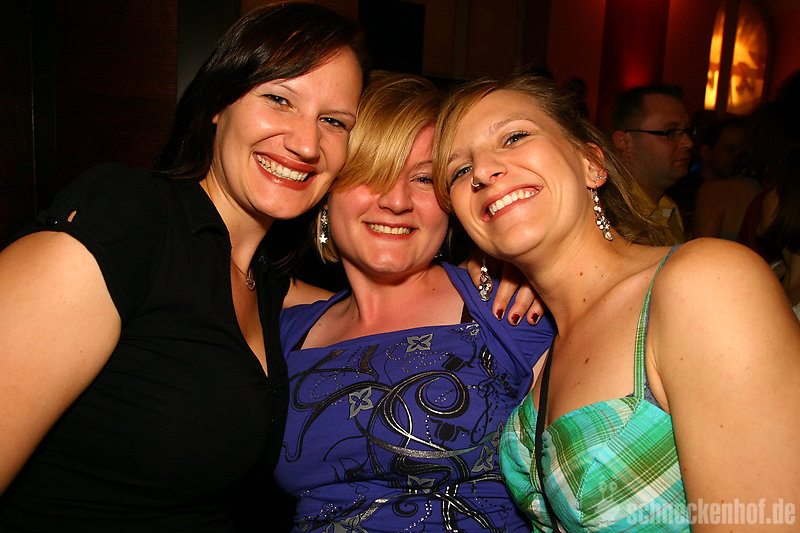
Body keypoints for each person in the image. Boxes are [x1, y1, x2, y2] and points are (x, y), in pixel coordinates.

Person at [0, 3, 365, 531]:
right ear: (218, 103)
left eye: (333, 121)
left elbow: (365, 311)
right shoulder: (129, 219)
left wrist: (478, 281)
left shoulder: (263, 278)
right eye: (279, 99)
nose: (307, 144)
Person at [435, 74, 800, 531]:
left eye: (514, 137)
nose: (483, 171)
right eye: (460, 170)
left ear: (591, 163)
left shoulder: (706, 283)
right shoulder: (542, 345)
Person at [273, 72, 554, 532]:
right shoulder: (287, 332)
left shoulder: (509, 309)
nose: (396, 201)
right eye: (371, 175)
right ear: (325, 195)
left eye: (423, 179)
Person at [611, 85, 693, 243]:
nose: (688, 143)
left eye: (687, 131)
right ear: (624, 142)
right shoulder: (610, 216)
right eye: (670, 132)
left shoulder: (667, 208)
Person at [666, 117, 748, 236]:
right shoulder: (680, 191)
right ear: (706, 152)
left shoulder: (743, 188)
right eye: (730, 150)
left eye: (743, 152)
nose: (737, 157)